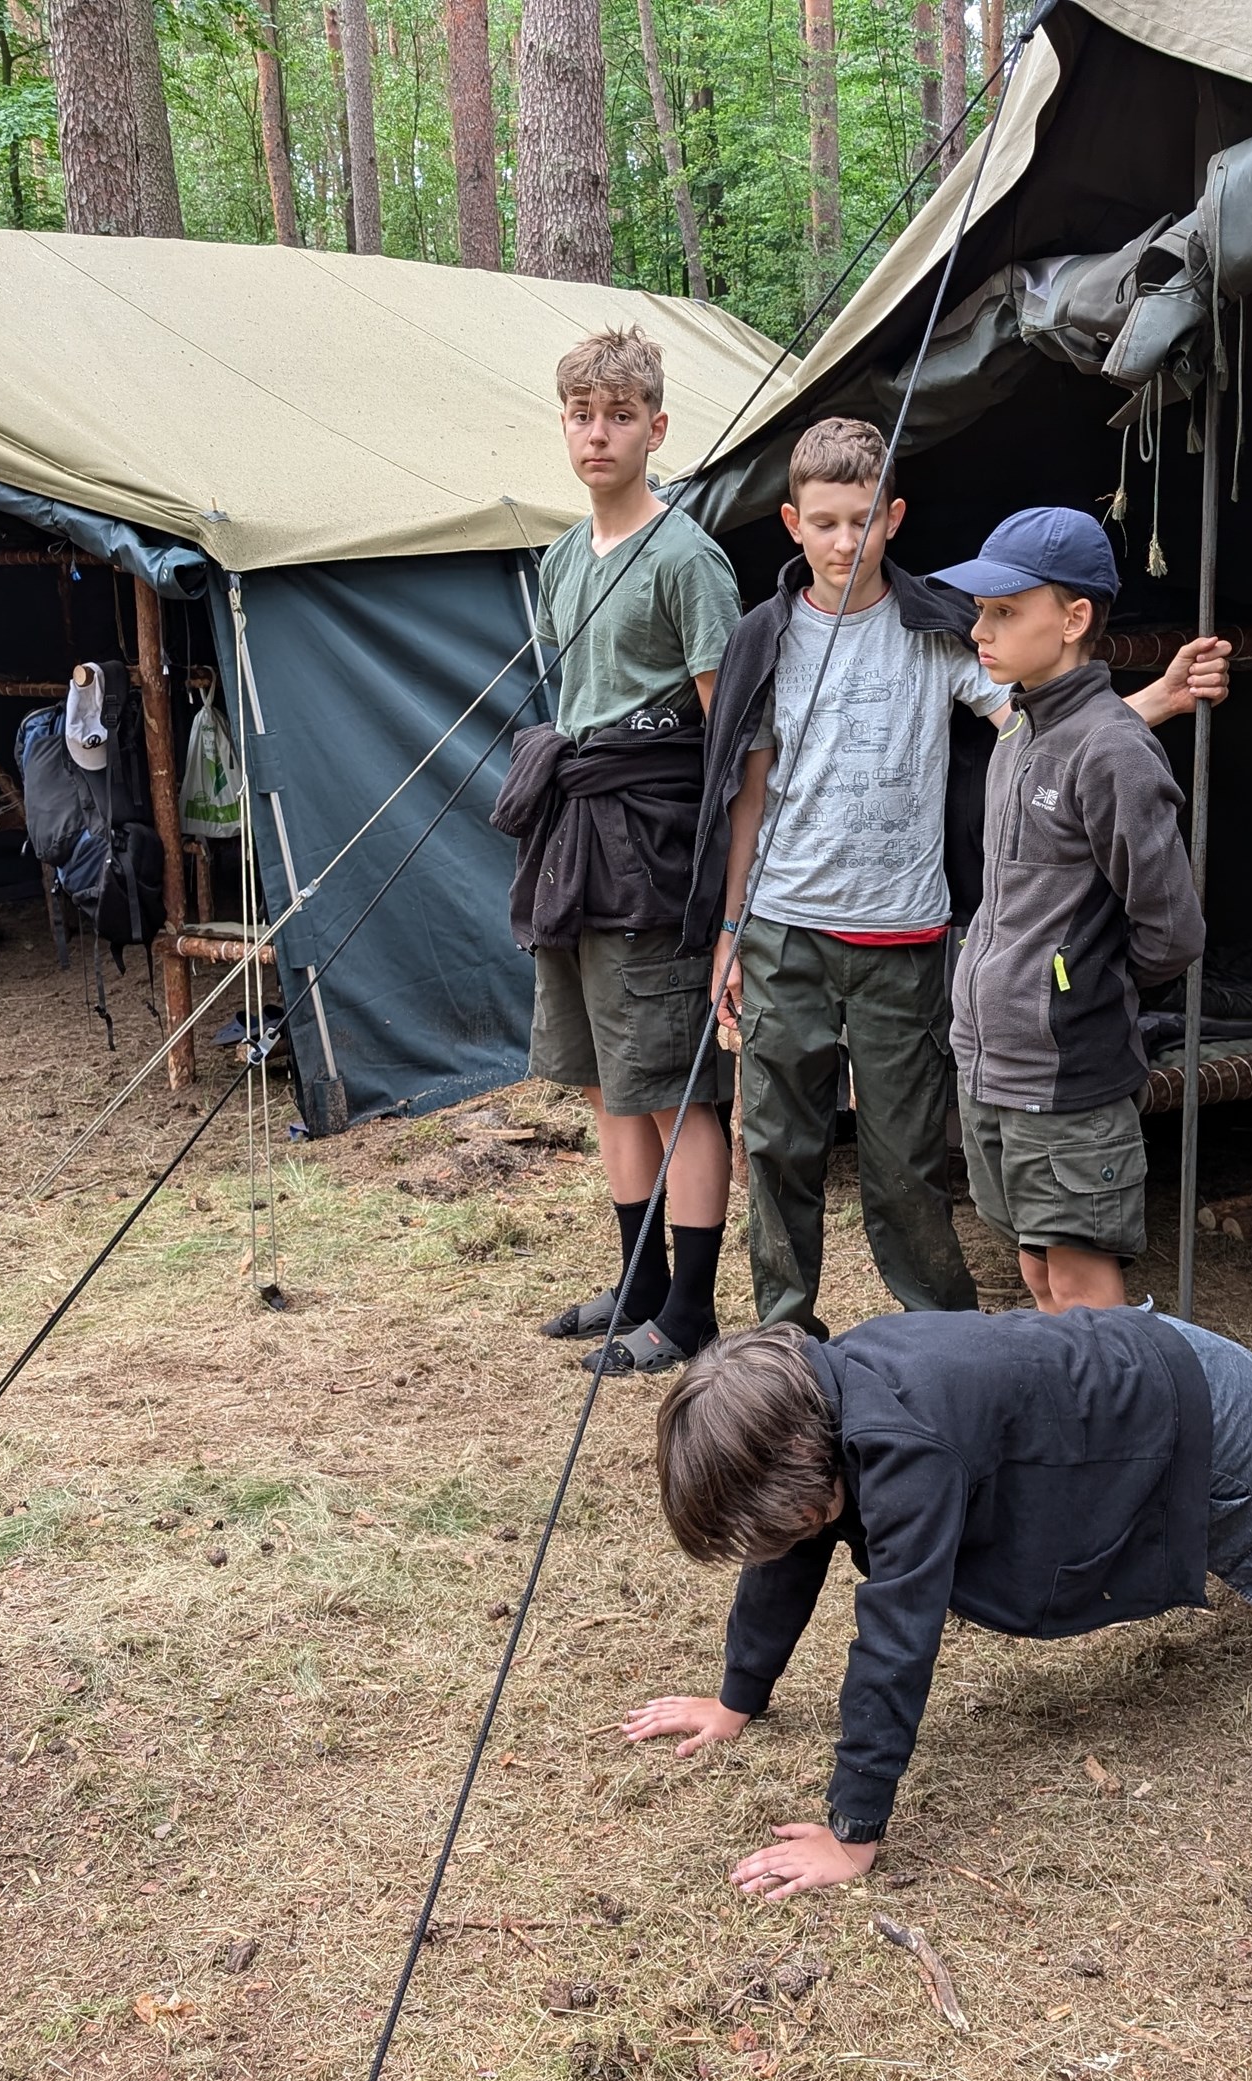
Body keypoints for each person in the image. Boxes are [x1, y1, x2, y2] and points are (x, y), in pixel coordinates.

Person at [620, 1312, 1252, 1898]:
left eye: (784, 1522)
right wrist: (738, 1696)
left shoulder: (902, 1452)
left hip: (1196, 1424)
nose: (786, 1544)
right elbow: (790, 1556)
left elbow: (897, 1640)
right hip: (1169, 1373)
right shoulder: (824, 1397)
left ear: (803, 1466)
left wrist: (854, 1832)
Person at [693, 421, 1227, 1339]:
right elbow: (746, 794)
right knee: (778, 1149)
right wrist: (730, 929)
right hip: (783, 927)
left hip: (903, 935)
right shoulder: (764, 637)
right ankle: (784, 1340)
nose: (844, 541)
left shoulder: (939, 627)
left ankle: (942, 1338)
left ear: (895, 518)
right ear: (790, 523)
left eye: (863, 519)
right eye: (824, 522)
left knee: (907, 1161)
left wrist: (1157, 702)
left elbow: (1047, 733)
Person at [492, 327, 745, 1375]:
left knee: (672, 1086)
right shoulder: (560, 559)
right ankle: (637, 1285)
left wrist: (729, 901)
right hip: (578, 840)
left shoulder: (687, 560)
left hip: (656, 851)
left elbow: (733, 744)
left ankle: (689, 1311)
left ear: (657, 428)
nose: (598, 434)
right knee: (605, 1079)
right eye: (582, 415)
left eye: (620, 416)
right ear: (564, 426)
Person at [933, 508, 1205, 1313]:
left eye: (1005, 611)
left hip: (1069, 1078)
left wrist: (1079, 987)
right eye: (980, 610)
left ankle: (1121, 1401)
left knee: (1083, 1285)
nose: (980, 631)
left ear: (1075, 618)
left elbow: (1172, 929)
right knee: (1036, 1270)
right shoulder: (1017, 733)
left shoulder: (1114, 749)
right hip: (989, 1065)